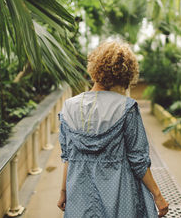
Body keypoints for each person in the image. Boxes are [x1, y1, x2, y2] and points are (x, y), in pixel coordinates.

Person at [57, 41, 169, 217]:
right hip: (119, 196)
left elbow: (68, 156)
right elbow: (138, 159)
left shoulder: (68, 107)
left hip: (79, 195)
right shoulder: (126, 108)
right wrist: (158, 195)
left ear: (95, 68)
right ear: (124, 75)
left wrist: (63, 192)